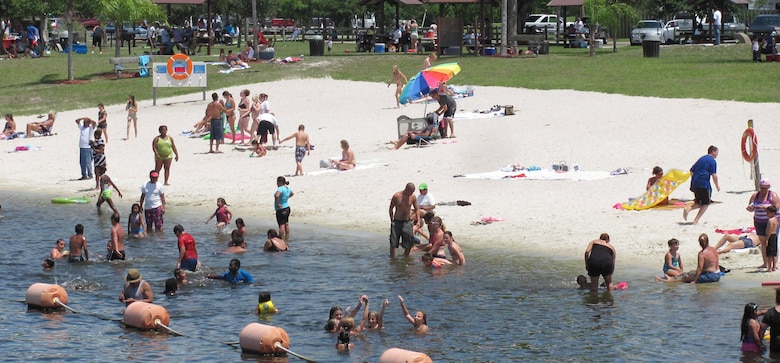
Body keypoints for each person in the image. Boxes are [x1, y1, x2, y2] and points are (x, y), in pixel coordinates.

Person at [656, 233, 720, 284]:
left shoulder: (702, 254)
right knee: (690, 273)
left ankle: (669, 281)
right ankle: (671, 279)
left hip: (710, 276)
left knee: (686, 278)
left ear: (700, 243)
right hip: (717, 274)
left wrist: (695, 281)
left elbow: (699, 268)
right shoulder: (713, 249)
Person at [747, 178, 779, 269]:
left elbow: (776, 207)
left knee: (772, 242)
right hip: (759, 221)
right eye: (762, 188)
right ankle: (765, 263)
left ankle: (774, 264)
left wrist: (765, 208)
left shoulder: (772, 195)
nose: (763, 190)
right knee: (763, 242)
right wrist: (750, 208)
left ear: (768, 187)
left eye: (765, 188)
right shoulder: (755, 195)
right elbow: (750, 205)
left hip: (771, 222)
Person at [683, 146, 720, 224]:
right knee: (706, 203)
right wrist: (717, 186)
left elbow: (691, 171)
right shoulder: (712, 161)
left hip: (695, 183)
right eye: (717, 152)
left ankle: (688, 209)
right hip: (704, 184)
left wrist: (694, 179)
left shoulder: (701, 159)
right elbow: (714, 175)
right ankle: (695, 219)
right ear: (713, 151)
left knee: (699, 202)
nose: (717, 154)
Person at [389, 182, 420, 258]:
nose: (411, 193)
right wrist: (392, 220)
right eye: (410, 192)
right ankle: (392, 259)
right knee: (393, 242)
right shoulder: (397, 196)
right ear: (406, 189)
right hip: (397, 221)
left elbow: (417, 209)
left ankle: (405, 257)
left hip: (407, 221)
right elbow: (391, 208)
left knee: (409, 241)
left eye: (413, 192)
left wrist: (418, 220)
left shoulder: (412, 197)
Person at [768, 206, 779, 272]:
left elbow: (769, 230)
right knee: (774, 253)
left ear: (772, 213)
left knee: (769, 254)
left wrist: (767, 239)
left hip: (771, 236)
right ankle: (774, 267)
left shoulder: (770, 220)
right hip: (775, 236)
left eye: (768, 213)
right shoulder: (776, 219)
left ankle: (769, 268)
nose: (766, 214)